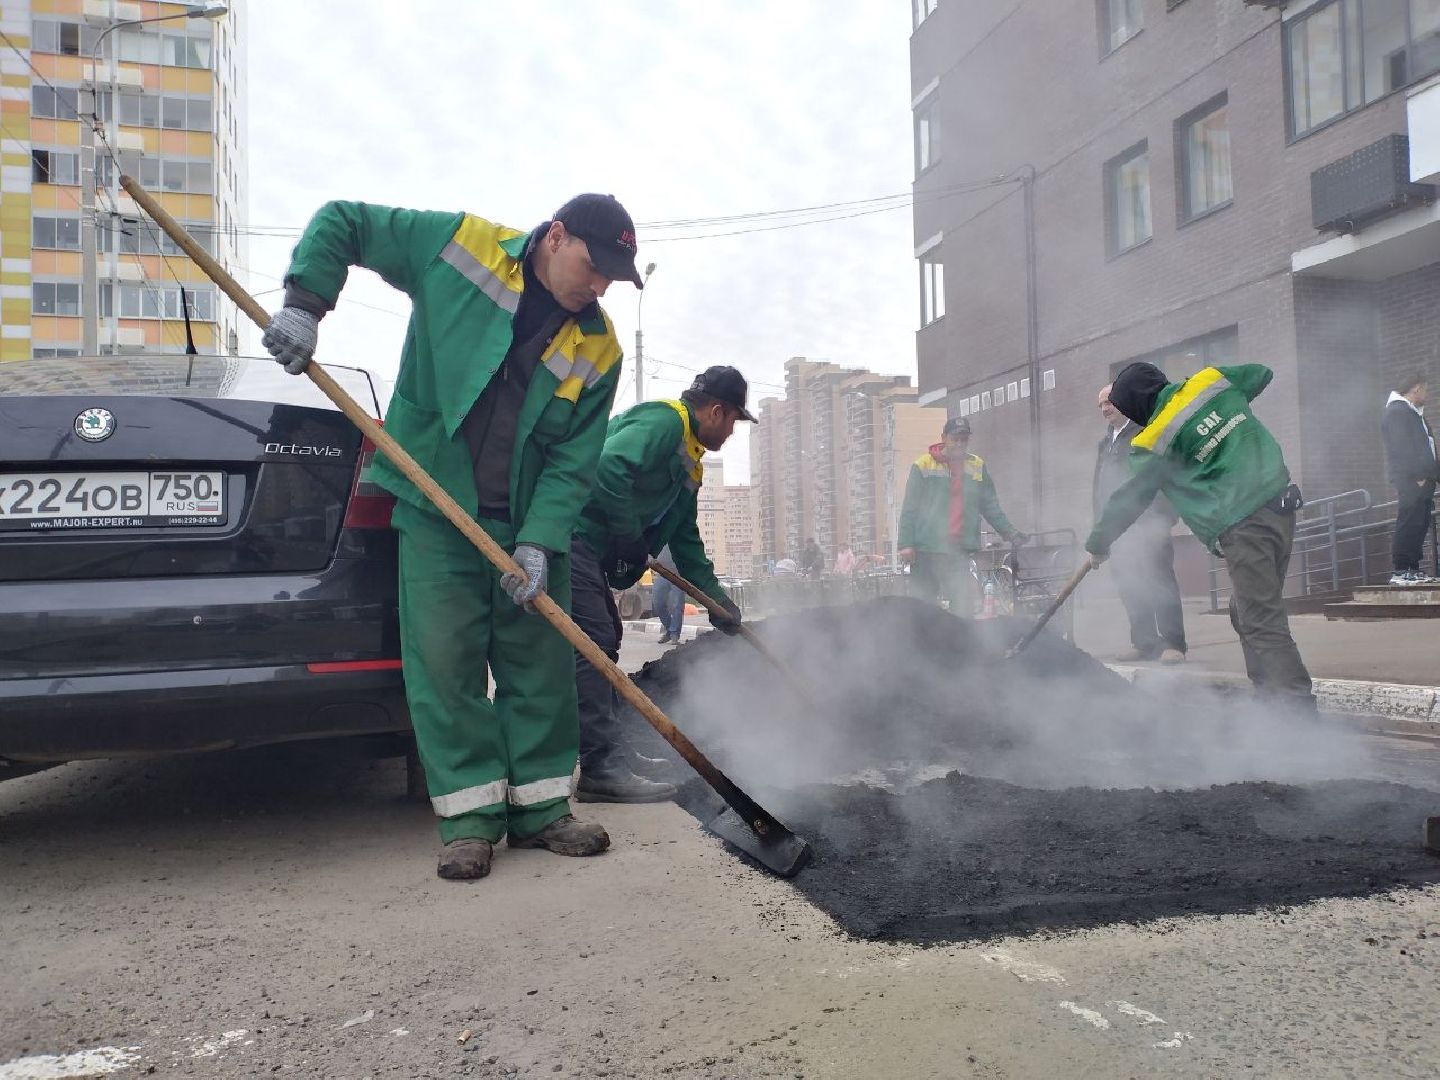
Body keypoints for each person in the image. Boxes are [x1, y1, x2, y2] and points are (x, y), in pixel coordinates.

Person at [261, 193, 642, 881]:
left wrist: (541, 538)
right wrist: (305, 303)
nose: (599, 285)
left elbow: (573, 459)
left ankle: (543, 811)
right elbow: (345, 221)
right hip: (435, 506)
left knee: (539, 669)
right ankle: (469, 821)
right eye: (594, 266)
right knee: (446, 666)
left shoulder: (599, 348)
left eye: (613, 276)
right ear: (555, 237)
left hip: (525, 525)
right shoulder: (461, 250)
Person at [1088, 361, 1314, 711]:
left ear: (1135, 406)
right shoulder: (1211, 381)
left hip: (1244, 523)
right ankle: (1268, 698)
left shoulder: (1153, 441)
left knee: (1261, 620)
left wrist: (1098, 543)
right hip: (1280, 505)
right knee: (1245, 611)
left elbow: (1129, 499)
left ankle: (1298, 712)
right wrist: (1225, 414)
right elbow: (1262, 374)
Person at [570, 366, 751, 802]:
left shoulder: (691, 464)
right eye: (733, 421)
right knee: (595, 642)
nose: (731, 432)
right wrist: (628, 533)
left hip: (591, 550)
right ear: (715, 410)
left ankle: (611, 750)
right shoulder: (665, 422)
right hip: (569, 534)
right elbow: (607, 466)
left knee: (606, 639)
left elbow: (686, 544)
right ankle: (599, 769)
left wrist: (718, 603)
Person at [1094, 382, 1187, 664]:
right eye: (1100, 406)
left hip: (1148, 523)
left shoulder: (1145, 433)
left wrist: (1163, 517)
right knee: (1129, 583)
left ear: (1123, 400)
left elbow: (1164, 476)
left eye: (1108, 403)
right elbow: (1099, 487)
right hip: (1117, 528)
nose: (1104, 410)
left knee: (1159, 580)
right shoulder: (1106, 442)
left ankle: (1174, 643)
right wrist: (1099, 525)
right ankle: (1144, 642)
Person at [897, 416, 1027, 615]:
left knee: (962, 607)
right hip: (926, 551)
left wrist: (1009, 532)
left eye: (963, 439)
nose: (959, 443)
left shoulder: (976, 465)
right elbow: (910, 508)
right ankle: (921, 645)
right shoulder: (923, 465)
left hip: (957, 551)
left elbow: (990, 505)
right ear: (944, 438)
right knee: (922, 607)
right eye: (955, 438)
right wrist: (906, 544)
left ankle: (961, 645)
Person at [1382, 374, 1438, 585]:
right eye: (1426, 390)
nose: (1427, 394)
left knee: (1419, 522)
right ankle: (1402, 570)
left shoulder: (1412, 413)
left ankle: (1412, 569)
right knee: (1409, 522)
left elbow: (1427, 447)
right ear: (1416, 389)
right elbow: (1401, 447)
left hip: (1421, 479)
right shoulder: (1398, 412)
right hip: (1412, 479)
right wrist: (1419, 475)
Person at [650, 545, 687, 644]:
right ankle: (670, 630)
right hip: (662, 572)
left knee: (677, 605)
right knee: (657, 603)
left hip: (679, 573)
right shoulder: (660, 533)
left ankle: (674, 634)